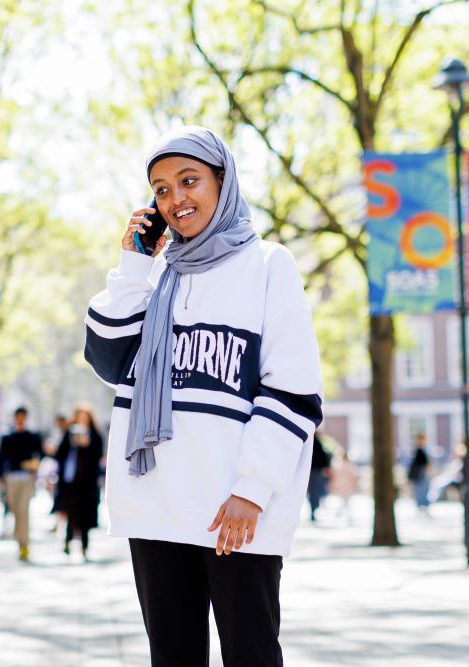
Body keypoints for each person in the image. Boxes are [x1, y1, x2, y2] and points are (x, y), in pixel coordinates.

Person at [84, 126, 322, 666]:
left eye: (189, 181)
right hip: (156, 504)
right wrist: (133, 266)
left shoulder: (267, 265)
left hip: (232, 508)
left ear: (223, 180)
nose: (175, 199)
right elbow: (107, 360)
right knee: (173, 657)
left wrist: (253, 488)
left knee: (251, 655)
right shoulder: (155, 276)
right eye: (161, 189)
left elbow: (293, 390)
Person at [55, 405, 105, 559]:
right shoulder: (69, 433)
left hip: (87, 483)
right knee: (70, 512)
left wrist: (87, 445)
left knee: (85, 514)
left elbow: (98, 456)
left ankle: (84, 546)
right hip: (70, 481)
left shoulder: (95, 436)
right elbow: (59, 454)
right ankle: (67, 542)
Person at [0, 407, 43, 560]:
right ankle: (19, 542)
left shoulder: (33, 436)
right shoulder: (7, 437)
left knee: (23, 510)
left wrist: (32, 465)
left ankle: (25, 543)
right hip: (11, 479)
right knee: (15, 511)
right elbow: (0, 458)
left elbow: (40, 455)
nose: (20, 419)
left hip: (27, 478)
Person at [328, 449, 360, 524]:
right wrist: (355, 485)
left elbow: (334, 474)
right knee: (346, 501)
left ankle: (340, 513)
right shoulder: (350, 465)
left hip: (341, 485)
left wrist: (332, 484)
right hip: (347, 486)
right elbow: (355, 476)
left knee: (343, 500)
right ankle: (344, 514)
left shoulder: (339, 464)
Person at [307, 433, 331, 522]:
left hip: (310, 472)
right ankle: (314, 508)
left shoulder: (310, 445)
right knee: (316, 491)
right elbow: (324, 457)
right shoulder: (318, 444)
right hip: (316, 472)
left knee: (312, 492)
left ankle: (313, 508)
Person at [408, 434, 431, 512]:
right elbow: (421, 462)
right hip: (420, 473)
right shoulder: (418, 450)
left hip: (422, 472)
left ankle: (423, 504)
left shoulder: (422, 449)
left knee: (423, 488)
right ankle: (421, 504)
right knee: (420, 489)